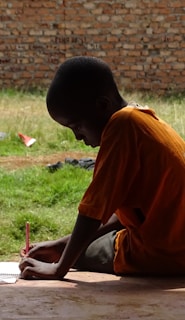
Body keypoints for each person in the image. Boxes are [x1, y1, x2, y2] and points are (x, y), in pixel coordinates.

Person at [19, 56, 185, 280]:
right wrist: (60, 244)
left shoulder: (122, 126)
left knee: (74, 255)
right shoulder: (143, 119)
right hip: (174, 243)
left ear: (102, 105)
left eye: (76, 126)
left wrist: (59, 268)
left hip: (163, 253)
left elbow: (93, 211)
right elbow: (122, 214)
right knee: (71, 248)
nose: (77, 137)